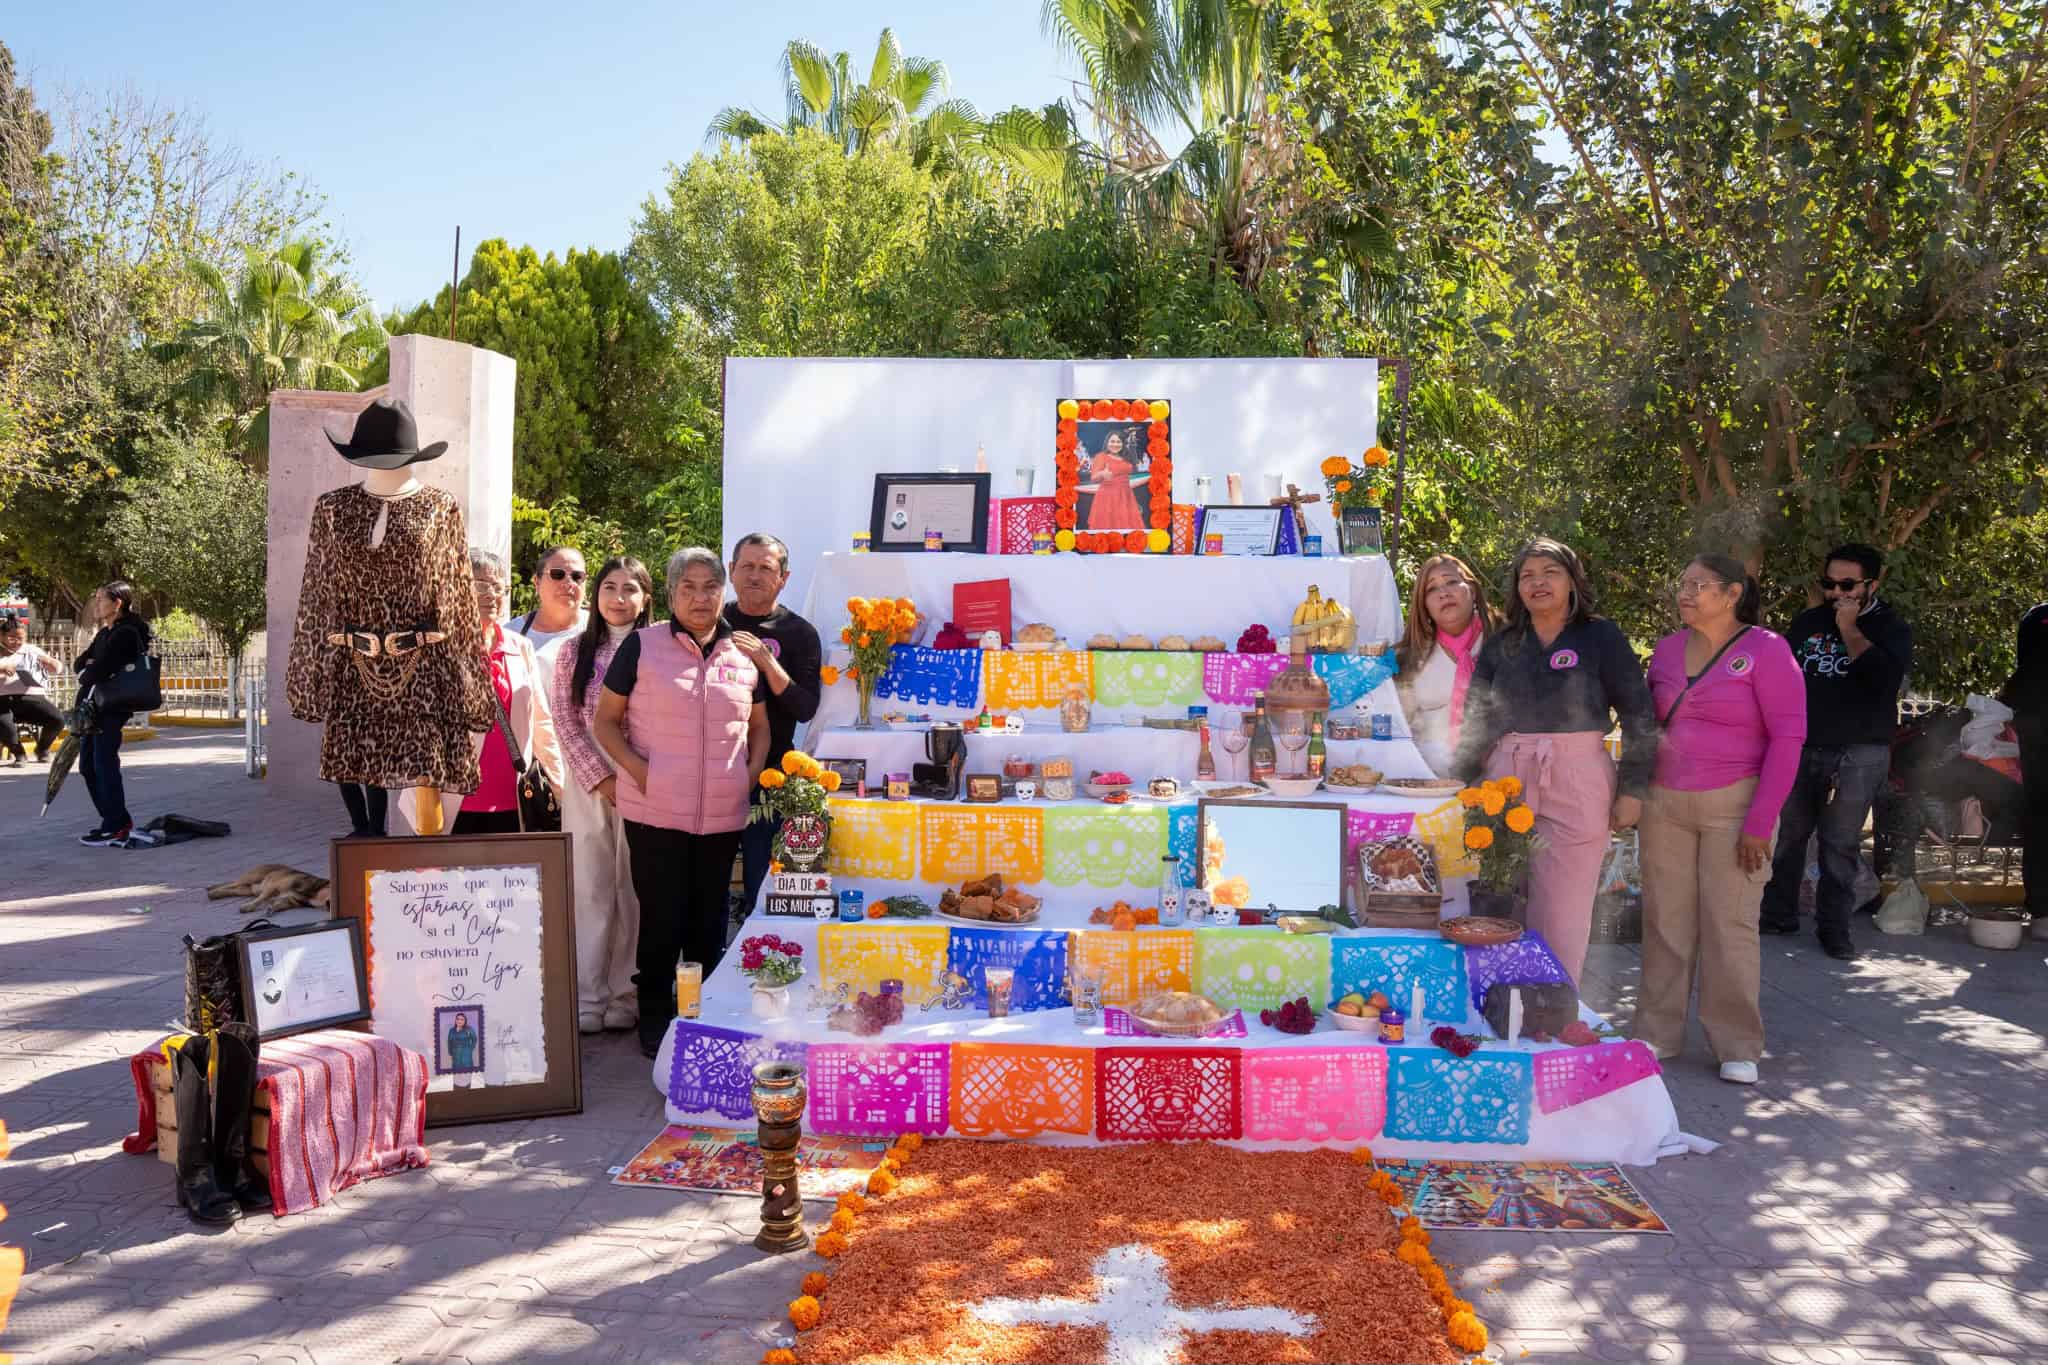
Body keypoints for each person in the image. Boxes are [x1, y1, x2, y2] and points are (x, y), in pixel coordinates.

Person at [593, 547, 770, 1057]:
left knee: (708, 922)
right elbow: (605, 721)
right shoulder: (642, 647)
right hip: (653, 814)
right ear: (671, 594)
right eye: (688, 587)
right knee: (662, 920)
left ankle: (702, 1014)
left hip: (721, 813)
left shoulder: (742, 653)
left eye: (709, 587)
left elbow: (759, 728)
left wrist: (748, 774)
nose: (699, 597)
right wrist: (642, 773)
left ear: (723, 592)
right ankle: (655, 1016)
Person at [1453, 538, 1656, 984]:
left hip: (1577, 774)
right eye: (1527, 575)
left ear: (1572, 581)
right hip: (1504, 780)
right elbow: (1477, 715)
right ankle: (1498, 1006)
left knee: (1563, 908)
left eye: (1550, 572)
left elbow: (1640, 712)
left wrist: (1633, 790)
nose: (1538, 582)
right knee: (1501, 899)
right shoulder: (1504, 641)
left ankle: (1553, 1014)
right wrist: (1461, 781)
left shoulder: (1600, 635)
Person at [1636, 555, 1806, 1085]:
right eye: (1682, 583)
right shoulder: (1665, 650)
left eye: (1698, 585)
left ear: (1732, 593)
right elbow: (1645, 725)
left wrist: (1761, 821)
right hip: (1665, 803)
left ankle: (1737, 1043)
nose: (1685, 593)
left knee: (1729, 924)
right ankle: (1656, 1033)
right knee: (1665, 920)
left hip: (1735, 805)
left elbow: (1788, 737)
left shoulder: (1767, 650)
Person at [1759, 542, 1913, 961]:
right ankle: (1777, 914)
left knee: (1840, 842)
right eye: (1829, 583)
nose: (1836, 592)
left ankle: (1834, 930)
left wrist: (1849, 630)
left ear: (1872, 584)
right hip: (1802, 744)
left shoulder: (1890, 628)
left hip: (1859, 750)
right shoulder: (1808, 622)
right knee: (1789, 835)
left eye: (1847, 584)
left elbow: (1883, 682)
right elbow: (1780, 678)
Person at [553, 555, 656, 1034]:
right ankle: (586, 995)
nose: (619, 598)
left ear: (646, 598)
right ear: (596, 595)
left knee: (635, 886)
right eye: (610, 587)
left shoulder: (660, 648)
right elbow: (565, 723)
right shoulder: (574, 652)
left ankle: (625, 992)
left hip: (646, 776)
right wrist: (602, 777)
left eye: (630, 589)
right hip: (588, 778)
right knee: (590, 884)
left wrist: (636, 773)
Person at [410, 549, 565, 835]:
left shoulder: (519, 647)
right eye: (480, 584)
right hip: (452, 798)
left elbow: (541, 722)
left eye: (498, 587)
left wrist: (558, 785)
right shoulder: (433, 648)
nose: (491, 594)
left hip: (514, 796)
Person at [723, 533, 822, 920]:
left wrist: (766, 660)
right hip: (711, 767)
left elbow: (804, 707)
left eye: (766, 568)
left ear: (784, 578)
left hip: (771, 777)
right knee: (705, 878)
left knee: (761, 881)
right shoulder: (712, 620)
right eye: (746, 566)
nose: (754, 575)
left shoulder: (800, 633)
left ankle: (759, 952)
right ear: (731, 571)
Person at [1394, 554, 1502, 777]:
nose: (1444, 593)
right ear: (1424, 605)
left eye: (1452, 582)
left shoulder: (1507, 642)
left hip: (1500, 783)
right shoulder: (1409, 657)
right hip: (1430, 783)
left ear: (1471, 589)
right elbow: (1399, 730)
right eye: (1432, 589)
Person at [74, 581, 153, 846]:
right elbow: (80, 664)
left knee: (104, 764)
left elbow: (97, 670)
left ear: (117, 603)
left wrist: (93, 666)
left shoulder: (126, 633)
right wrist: (92, 665)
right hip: (93, 708)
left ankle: (115, 825)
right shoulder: (104, 634)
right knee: (88, 766)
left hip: (112, 708)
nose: (96, 605)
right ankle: (114, 820)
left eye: (100, 600)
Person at [2001, 600, 2048, 919]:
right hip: (2037, 727)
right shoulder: (2037, 617)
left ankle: (2042, 909)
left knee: (2039, 820)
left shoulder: (2036, 617)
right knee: (2040, 819)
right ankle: (2043, 910)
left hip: (2034, 723)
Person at [0, 612, 66, 766]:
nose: (16, 642)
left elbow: (57, 668)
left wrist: (51, 663)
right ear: (1, 636)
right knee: (4, 723)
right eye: (11, 638)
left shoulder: (31, 650)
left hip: (31, 698)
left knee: (57, 720)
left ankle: (42, 749)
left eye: (20, 639)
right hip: (2, 699)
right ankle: (19, 754)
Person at [505, 545, 589, 660]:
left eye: (577, 576)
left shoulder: (603, 630)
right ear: (537, 582)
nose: (569, 583)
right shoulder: (510, 635)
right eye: (557, 574)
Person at [1085, 429, 1145, 529]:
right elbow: (1094, 478)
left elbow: (1132, 468)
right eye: (1112, 441)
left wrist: (1132, 445)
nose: (1115, 444)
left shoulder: (1126, 457)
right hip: (1108, 498)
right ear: (1107, 442)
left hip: (1126, 496)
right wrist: (1102, 474)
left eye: (1118, 441)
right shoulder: (1101, 457)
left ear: (1122, 443)